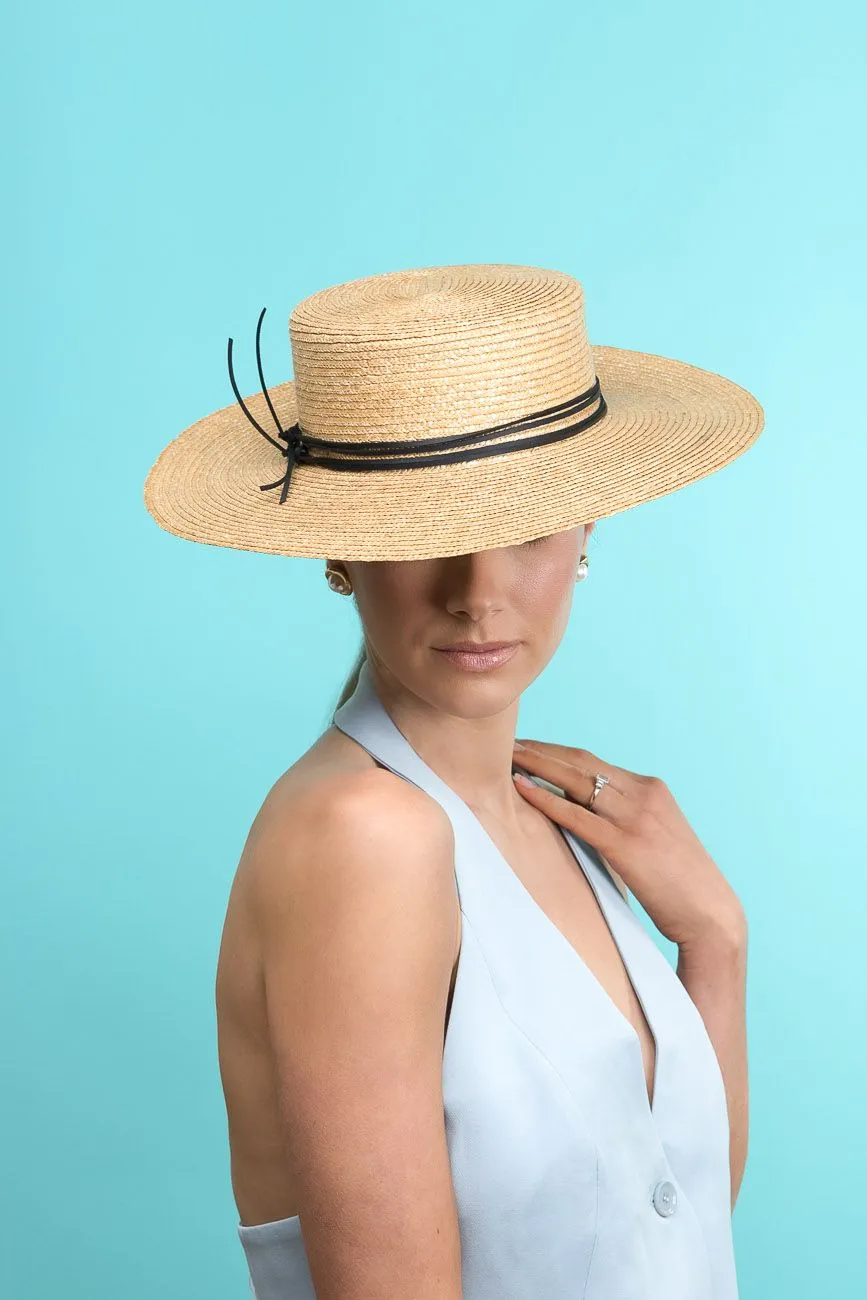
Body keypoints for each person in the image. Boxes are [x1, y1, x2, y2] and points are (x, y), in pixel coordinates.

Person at [143, 263, 762, 1300]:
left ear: (587, 528)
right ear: (340, 550)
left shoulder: (555, 827)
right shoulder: (364, 836)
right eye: (425, 529)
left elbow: (673, 1230)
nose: (479, 593)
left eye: (523, 526)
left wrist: (715, 943)